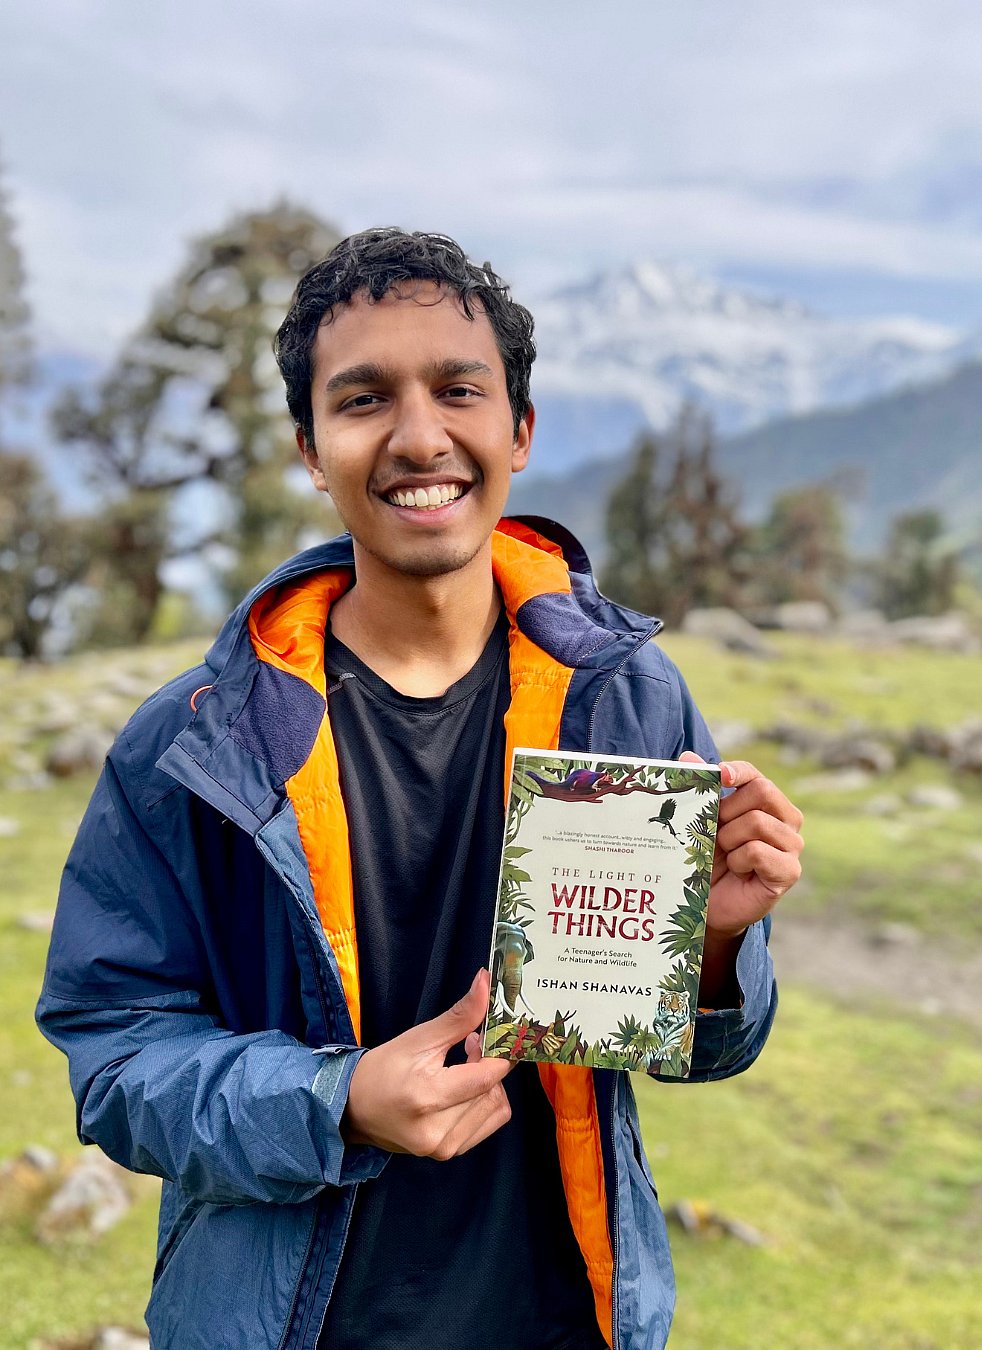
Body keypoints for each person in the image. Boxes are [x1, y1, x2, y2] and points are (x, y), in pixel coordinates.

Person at [37, 229, 804, 1350]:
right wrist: (334, 1101)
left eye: (458, 390)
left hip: (562, 1319)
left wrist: (721, 949)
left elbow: (694, 1046)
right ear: (310, 447)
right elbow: (114, 1057)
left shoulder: (624, 699)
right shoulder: (197, 744)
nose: (418, 436)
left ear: (520, 430)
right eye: (363, 400)